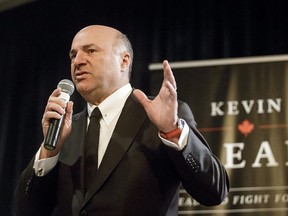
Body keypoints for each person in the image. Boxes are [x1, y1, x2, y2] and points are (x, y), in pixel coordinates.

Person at [15, 25, 229, 216]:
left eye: (90, 51)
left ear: (124, 60)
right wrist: (48, 152)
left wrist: (172, 130)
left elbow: (214, 192)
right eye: (73, 55)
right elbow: (26, 210)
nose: (78, 61)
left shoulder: (162, 118)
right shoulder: (64, 129)